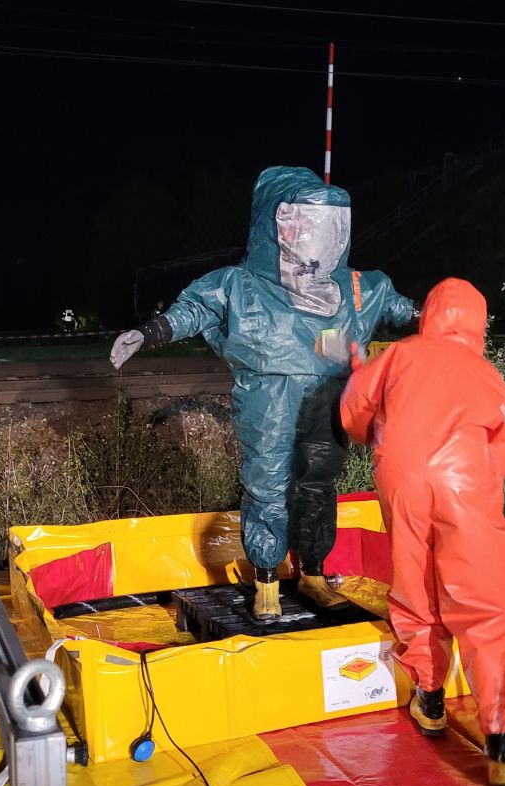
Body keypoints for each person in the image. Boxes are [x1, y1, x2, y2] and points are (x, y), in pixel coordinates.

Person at [110, 166, 414, 622]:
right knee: (268, 484)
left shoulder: (355, 287)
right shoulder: (243, 286)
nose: (314, 235)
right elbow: (195, 309)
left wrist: (445, 318)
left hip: (329, 397)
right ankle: (267, 581)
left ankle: (313, 572)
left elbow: (401, 309)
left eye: (326, 224)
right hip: (269, 399)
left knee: (318, 485)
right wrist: (149, 332)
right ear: (277, 223)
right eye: (304, 222)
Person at [339, 277, 505, 786]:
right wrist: (482, 485)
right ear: (477, 324)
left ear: (429, 314)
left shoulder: (400, 354)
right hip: (465, 482)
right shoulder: (484, 371)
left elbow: (353, 410)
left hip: (402, 478)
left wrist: (367, 408)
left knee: (415, 585)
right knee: (483, 606)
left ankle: (429, 698)